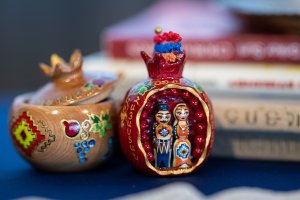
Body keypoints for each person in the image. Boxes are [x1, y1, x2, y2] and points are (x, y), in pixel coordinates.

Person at [153, 103, 173, 169]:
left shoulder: (170, 127)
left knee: (166, 158)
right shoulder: (156, 127)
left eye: (167, 117)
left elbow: (171, 136)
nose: (164, 119)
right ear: (155, 116)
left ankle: (166, 166)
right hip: (159, 145)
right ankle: (158, 166)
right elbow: (155, 136)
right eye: (160, 117)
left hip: (167, 146)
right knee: (159, 157)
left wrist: (170, 142)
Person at [173, 103, 192, 168]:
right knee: (179, 153)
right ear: (175, 114)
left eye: (185, 113)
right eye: (179, 113)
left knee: (186, 153)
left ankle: (186, 162)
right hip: (179, 141)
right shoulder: (176, 124)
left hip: (185, 141)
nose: (183, 115)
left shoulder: (186, 123)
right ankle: (179, 163)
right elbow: (175, 133)